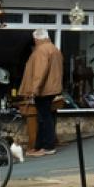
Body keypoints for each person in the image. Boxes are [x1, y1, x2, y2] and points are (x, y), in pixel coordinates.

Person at [21, 29, 63, 157]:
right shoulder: (54, 49)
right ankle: (39, 146)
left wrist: (33, 90)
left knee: (44, 118)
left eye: (35, 39)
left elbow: (40, 72)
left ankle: (48, 146)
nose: (34, 41)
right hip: (51, 89)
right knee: (45, 117)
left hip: (43, 90)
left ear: (37, 39)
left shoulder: (41, 51)